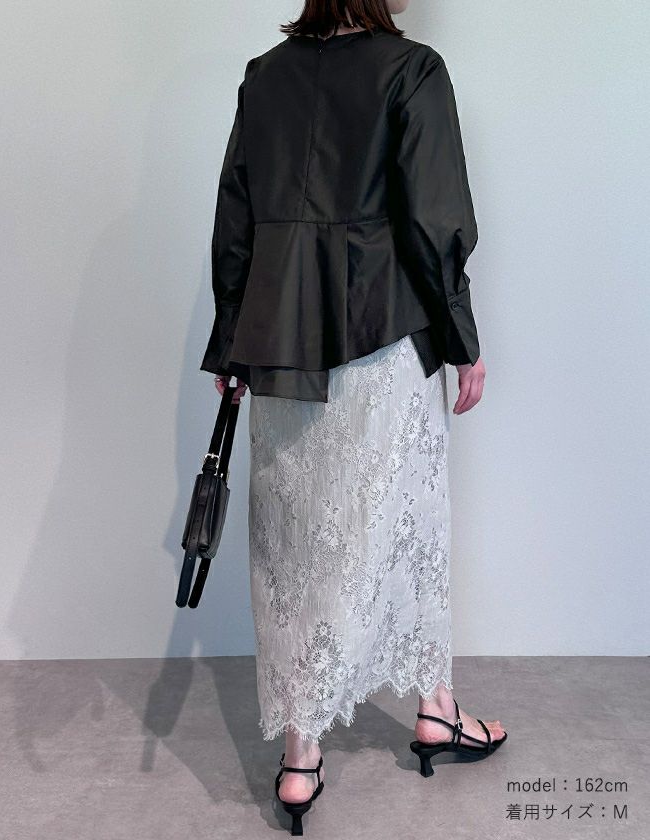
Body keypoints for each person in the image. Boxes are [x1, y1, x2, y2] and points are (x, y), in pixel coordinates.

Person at [199, 0, 507, 832]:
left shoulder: (264, 78)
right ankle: (436, 710)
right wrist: (463, 338)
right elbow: (435, 219)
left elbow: (235, 220)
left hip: (280, 343)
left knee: (292, 545)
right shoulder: (412, 70)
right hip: (382, 336)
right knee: (407, 520)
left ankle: (300, 759)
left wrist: (232, 345)